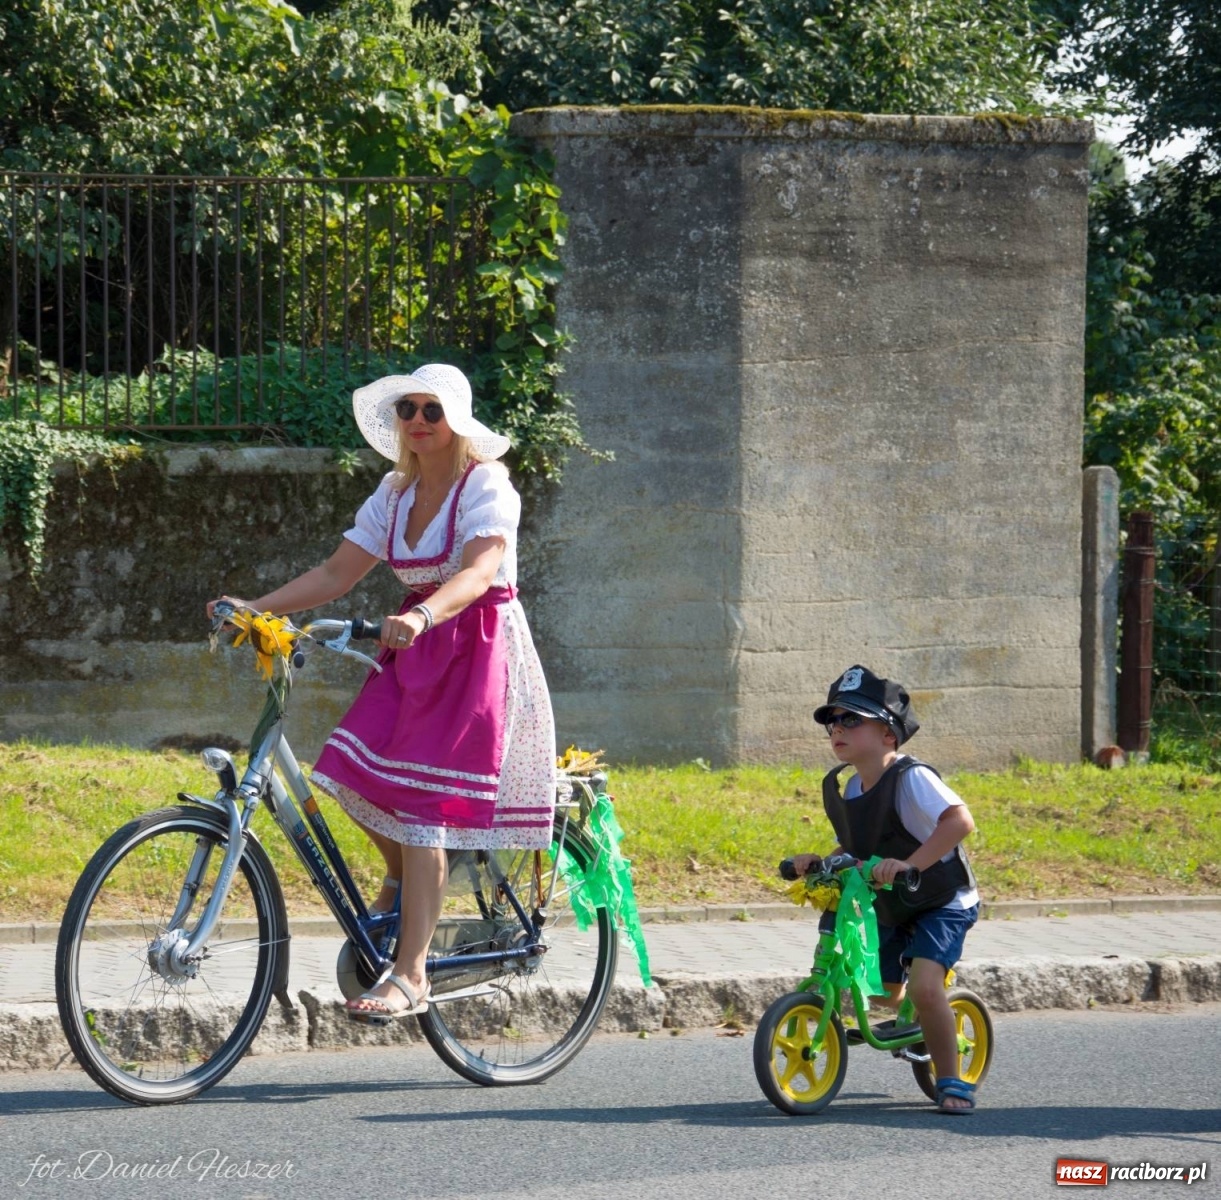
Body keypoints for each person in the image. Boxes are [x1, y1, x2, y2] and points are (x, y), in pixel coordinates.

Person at [206, 363, 556, 1022]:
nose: (419, 421)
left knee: (424, 807)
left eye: (432, 410)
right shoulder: (394, 493)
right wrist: (255, 608)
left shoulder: (487, 484)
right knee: (348, 773)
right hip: (414, 650)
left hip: (474, 647)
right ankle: (399, 882)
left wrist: (423, 614)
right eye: (408, 410)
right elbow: (337, 571)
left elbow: (482, 571)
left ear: (457, 420)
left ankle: (413, 974)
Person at [788, 665, 980, 1114]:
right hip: (893, 901)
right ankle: (915, 1024)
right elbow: (859, 845)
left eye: (852, 719)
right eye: (832, 720)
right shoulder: (851, 785)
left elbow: (959, 821)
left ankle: (952, 1080)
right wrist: (820, 861)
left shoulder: (911, 778)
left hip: (941, 899)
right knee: (884, 990)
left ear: (888, 734)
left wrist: (910, 864)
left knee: (925, 989)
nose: (837, 727)